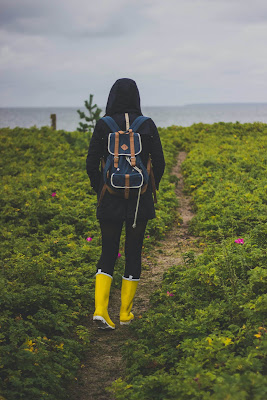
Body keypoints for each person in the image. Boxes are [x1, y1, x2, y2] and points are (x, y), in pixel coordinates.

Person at [86, 78, 165, 329]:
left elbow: (90, 163)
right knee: (133, 252)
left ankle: (100, 310)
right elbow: (160, 162)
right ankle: (125, 314)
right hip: (139, 201)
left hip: (109, 198)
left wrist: (101, 187)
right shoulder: (147, 124)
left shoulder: (103, 125)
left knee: (108, 251)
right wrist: (149, 188)